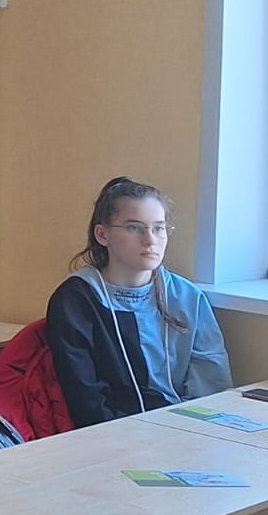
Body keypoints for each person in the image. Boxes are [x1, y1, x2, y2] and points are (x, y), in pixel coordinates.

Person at [46, 176, 232, 426]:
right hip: (111, 432)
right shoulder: (77, 299)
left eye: (159, 228)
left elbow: (212, 387)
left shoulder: (187, 297)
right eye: (134, 228)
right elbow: (85, 397)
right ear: (102, 234)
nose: (150, 240)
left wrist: (188, 432)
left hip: (187, 431)